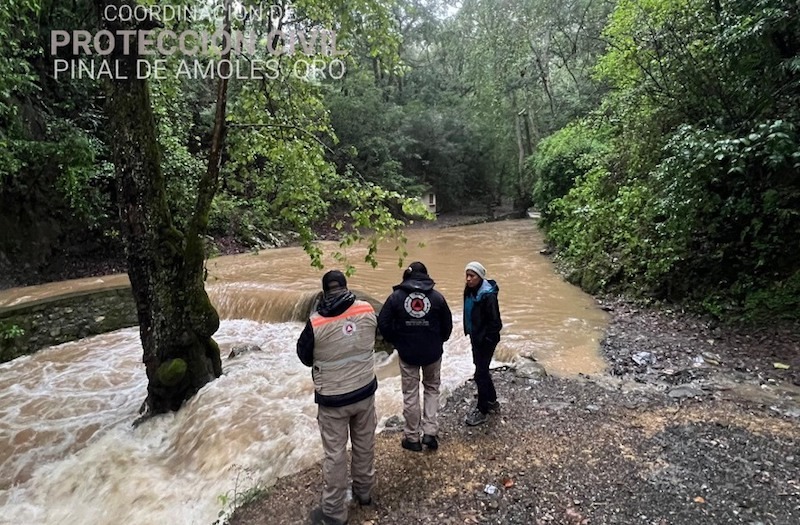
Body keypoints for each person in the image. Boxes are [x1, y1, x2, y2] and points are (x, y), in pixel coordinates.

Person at [297, 270, 378, 525]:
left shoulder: (316, 322)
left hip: (333, 399)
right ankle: (364, 492)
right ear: (345, 286)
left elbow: (304, 357)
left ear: (324, 292)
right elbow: (374, 336)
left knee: (335, 454)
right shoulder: (367, 309)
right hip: (364, 391)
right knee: (364, 444)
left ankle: (334, 511)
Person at [378, 261, 453, 451]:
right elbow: (448, 325)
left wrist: (396, 340)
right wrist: (438, 340)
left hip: (408, 353)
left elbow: (383, 323)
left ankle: (412, 437)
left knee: (410, 394)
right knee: (431, 389)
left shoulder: (396, 297)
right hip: (432, 352)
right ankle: (430, 433)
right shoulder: (437, 297)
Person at [462, 261, 502, 426]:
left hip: (486, 339)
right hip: (476, 336)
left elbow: (495, 322)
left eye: (472, 276)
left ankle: (482, 410)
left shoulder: (488, 295)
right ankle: (492, 400)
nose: (468, 279)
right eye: (467, 275)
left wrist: (487, 340)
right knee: (481, 370)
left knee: (480, 373)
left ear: (480, 277)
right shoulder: (471, 290)